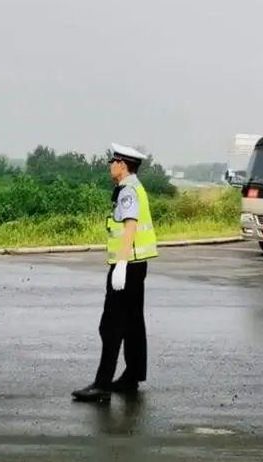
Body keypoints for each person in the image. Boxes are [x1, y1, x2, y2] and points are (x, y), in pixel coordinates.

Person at [72, 143, 158, 403]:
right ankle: (132, 376)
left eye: (113, 162)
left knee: (110, 325)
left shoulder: (127, 191)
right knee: (133, 322)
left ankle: (101, 385)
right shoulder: (135, 187)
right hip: (136, 263)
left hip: (127, 265)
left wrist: (120, 264)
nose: (110, 166)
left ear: (122, 165)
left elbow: (130, 226)